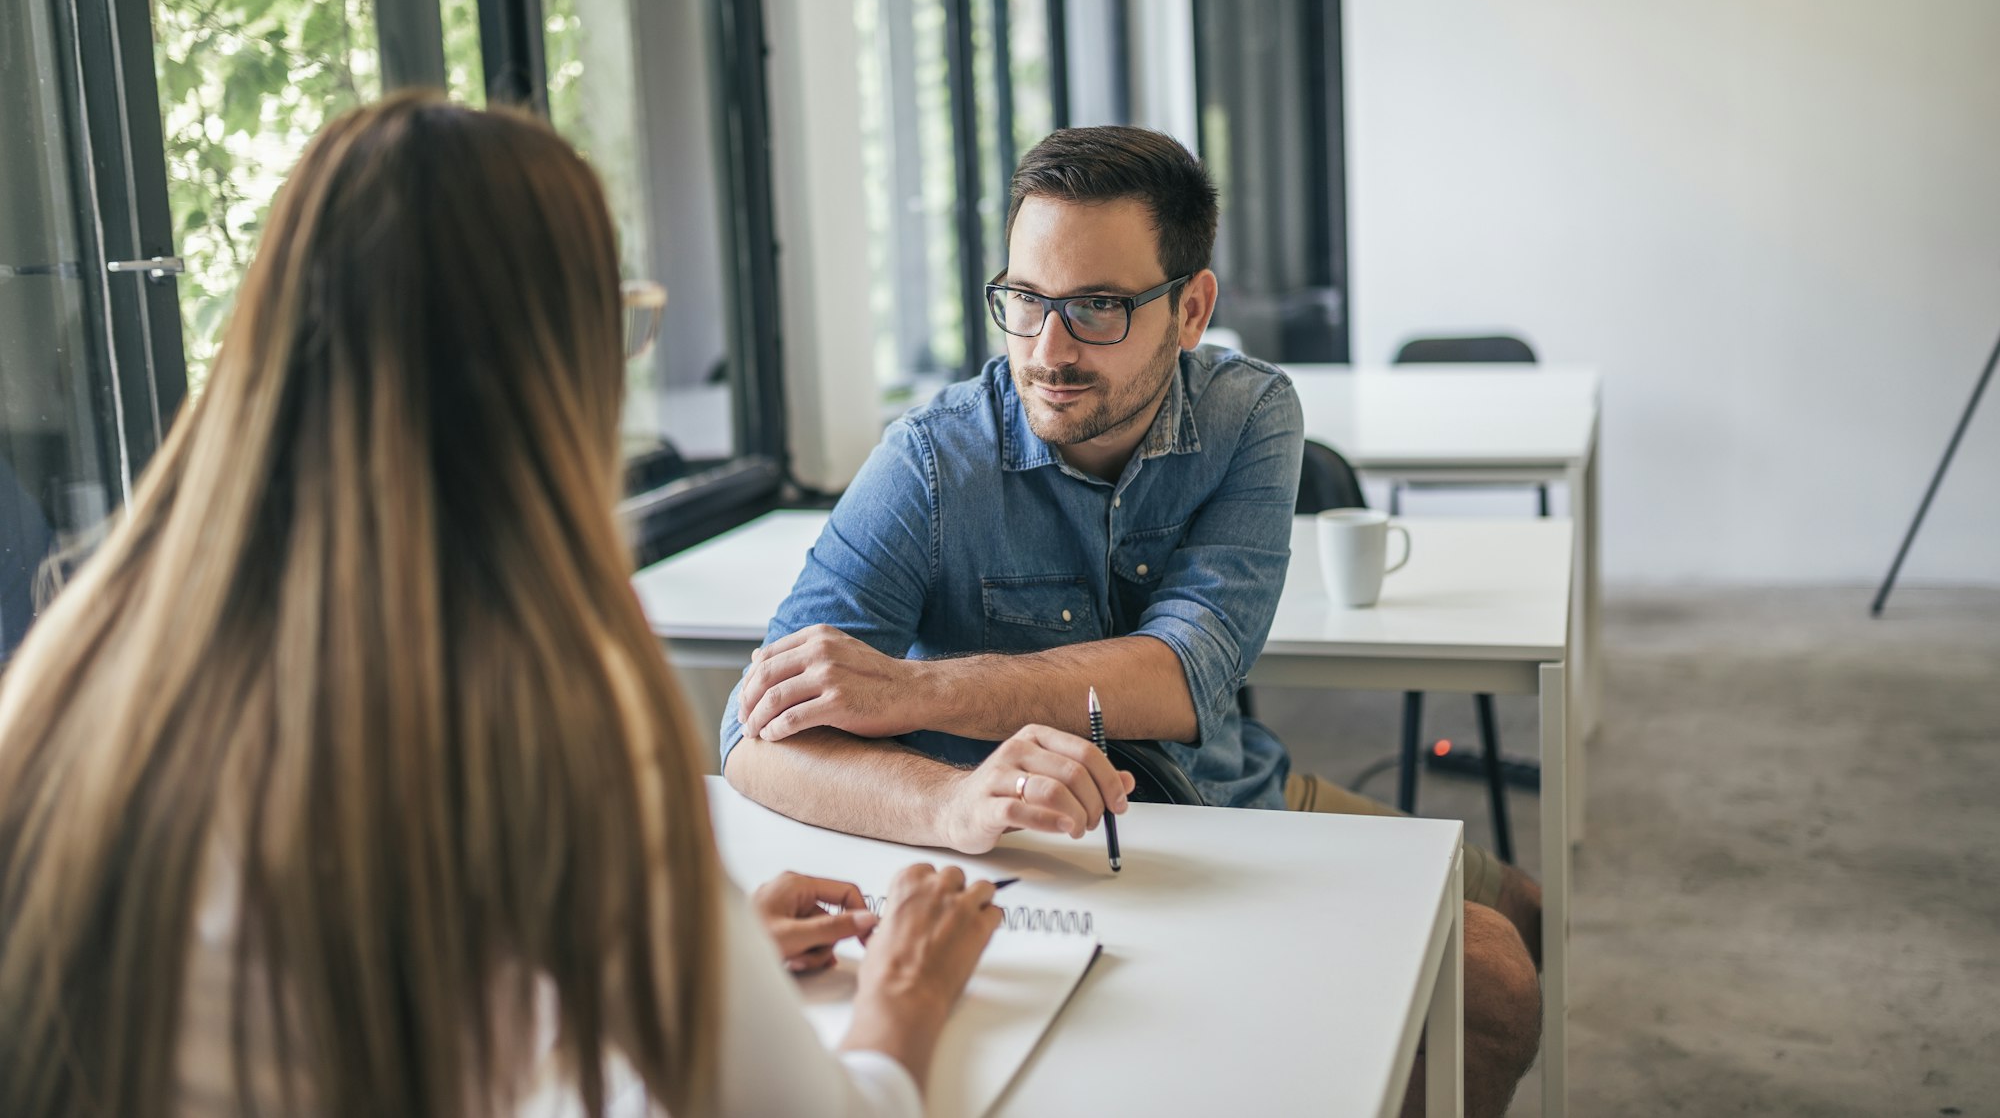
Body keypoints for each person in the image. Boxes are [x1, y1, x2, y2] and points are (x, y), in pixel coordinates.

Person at [0, 94, 1002, 1118]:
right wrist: (906, 996)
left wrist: (686, 945)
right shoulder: (542, 719)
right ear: (554, 375)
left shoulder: (75, 668)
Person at [721, 125, 1543, 1117]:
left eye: (1097, 308)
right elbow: (749, 740)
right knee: (1489, 977)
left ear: (1190, 308)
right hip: (1039, 857)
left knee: (1523, 916)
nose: (1047, 350)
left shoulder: (1251, 416)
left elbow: (1185, 674)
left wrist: (911, 689)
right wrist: (949, 803)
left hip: (1236, 799)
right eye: (1023, 302)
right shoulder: (931, 462)